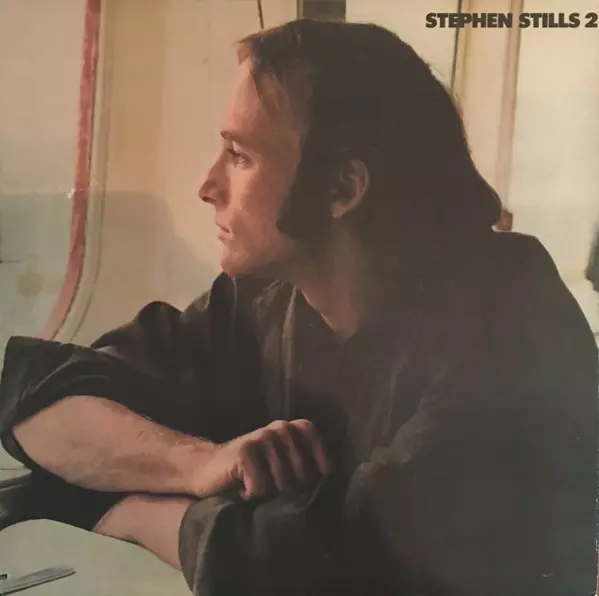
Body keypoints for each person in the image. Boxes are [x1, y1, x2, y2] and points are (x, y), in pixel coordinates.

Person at [0, 19, 597, 596]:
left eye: (240, 155)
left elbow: (331, 560)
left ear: (341, 189)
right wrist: (196, 465)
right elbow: (35, 396)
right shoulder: (267, 298)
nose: (208, 186)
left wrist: (130, 513)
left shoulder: (511, 324)